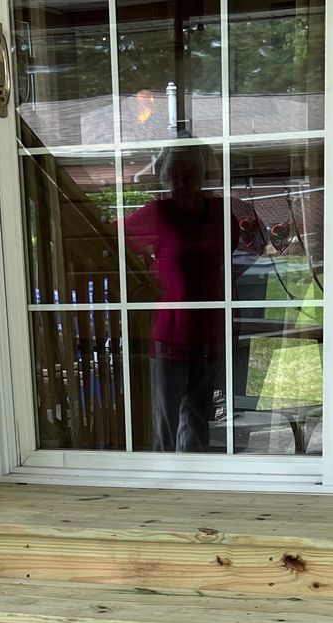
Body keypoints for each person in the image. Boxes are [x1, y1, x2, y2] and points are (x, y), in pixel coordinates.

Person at [123, 145, 226, 452]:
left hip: (208, 332)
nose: (182, 183)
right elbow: (110, 239)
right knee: (165, 423)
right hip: (170, 334)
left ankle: (194, 483)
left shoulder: (219, 212)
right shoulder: (159, 213)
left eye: (190, 174)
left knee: (197, 418)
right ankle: (161, 483)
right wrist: (142, 278)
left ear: (202, 176)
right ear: (167, 179)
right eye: (175, 176)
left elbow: (235, 246)